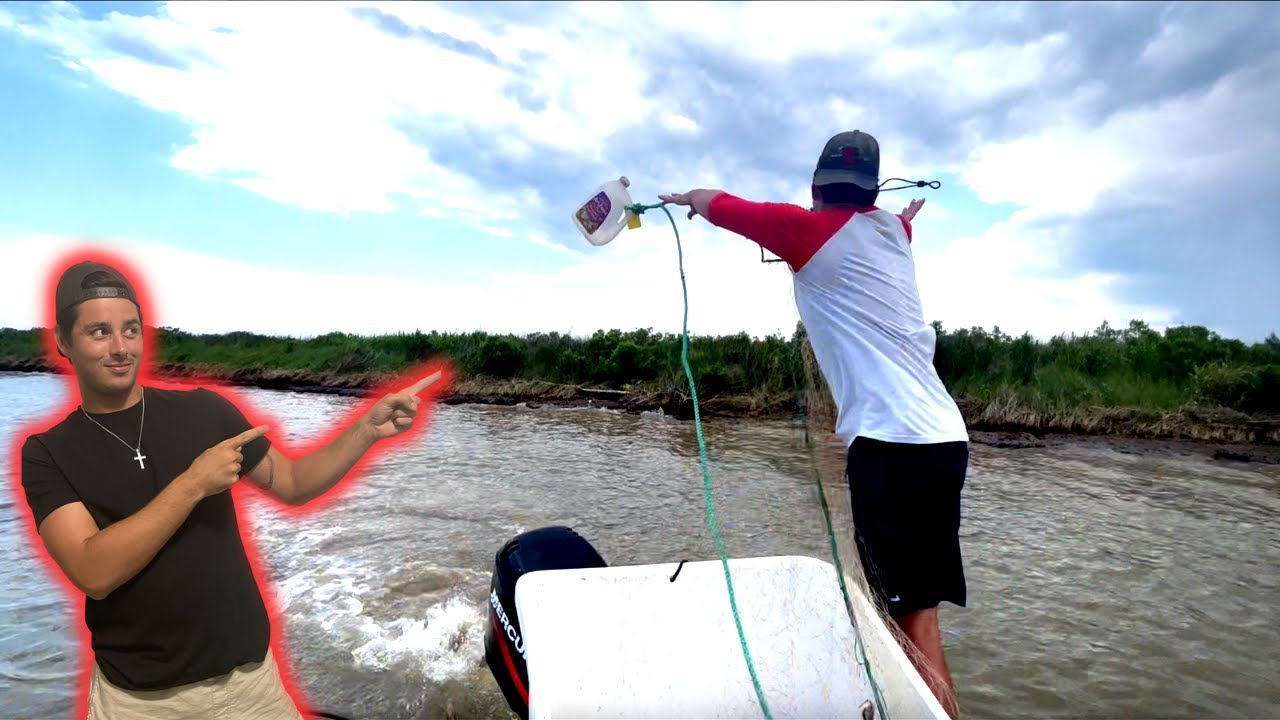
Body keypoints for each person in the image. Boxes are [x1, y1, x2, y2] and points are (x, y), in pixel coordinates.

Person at [18, 257, 447, 719]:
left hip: (251, 689)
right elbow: (93, 572)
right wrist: (193, 484)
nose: (120, 347)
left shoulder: (206, 412)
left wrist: (366, 429)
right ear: (63, 340)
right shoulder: (47, 452)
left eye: (131, 329)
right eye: (99, 332)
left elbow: (294, 483)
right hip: (140, 704)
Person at [660, 130, 970, 719]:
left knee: (906, 619)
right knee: (915, 613)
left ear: (814, 190)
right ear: (872, 194)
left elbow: (718, 204)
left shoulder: (808, 229)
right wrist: (902, 220)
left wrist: (686, 198)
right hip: (943, 440)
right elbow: (883, 228)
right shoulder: (892, 235)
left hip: (891, 444)